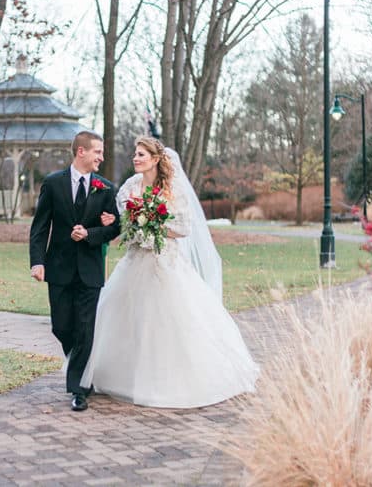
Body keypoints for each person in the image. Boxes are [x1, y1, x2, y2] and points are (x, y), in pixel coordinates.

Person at [82, 136, 258, 409]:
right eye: (135, 154)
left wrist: (154, 223)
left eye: (141, 155)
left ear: (155, 159)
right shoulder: (130, 186)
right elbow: (122, 220)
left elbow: (184, 228)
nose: (136, 158)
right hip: (135, 259)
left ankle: (170, 380)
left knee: (167, 319)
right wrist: (124, 221)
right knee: (127, 317)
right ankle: (119, 377)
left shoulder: (172, 189)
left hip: (165, 262)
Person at [29, 131, 120, 412]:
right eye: (97, 152)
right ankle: (81, 365)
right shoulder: (53, 183)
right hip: (58, 269)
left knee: (85, 329)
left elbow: (114, 229)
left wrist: (91, 232)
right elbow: (40, 226)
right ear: (81, 152)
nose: (101, 158)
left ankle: (78, 389)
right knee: (61, 326)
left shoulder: (106, 188)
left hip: (90, 271)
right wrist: (37, 261)